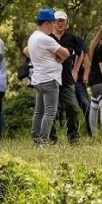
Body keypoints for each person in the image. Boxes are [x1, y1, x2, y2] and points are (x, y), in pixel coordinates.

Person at [26, 8, 70, 145]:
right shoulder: (45, 39)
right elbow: (66, 53)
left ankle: (36, 139)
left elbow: (28, 53)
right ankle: (43, 141)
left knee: (39, 111)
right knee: (50, 112)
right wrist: (59, 57)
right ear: (46, 23)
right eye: (53, 22)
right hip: (49, 79)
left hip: (39, 79)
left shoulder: (33, 37)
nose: (54, 25)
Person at [49, 10, 83, 144]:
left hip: (67, 78)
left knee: (72, 107)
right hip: (51, 78)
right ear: (52, 22)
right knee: (52, 110)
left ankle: (73, 137)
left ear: (66, 23)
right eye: (57, 21)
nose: (59, 23)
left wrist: (76, 69)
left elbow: (81, 53)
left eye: (62, 21)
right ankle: (51, 139)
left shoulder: (72, 38)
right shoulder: (48, 37)